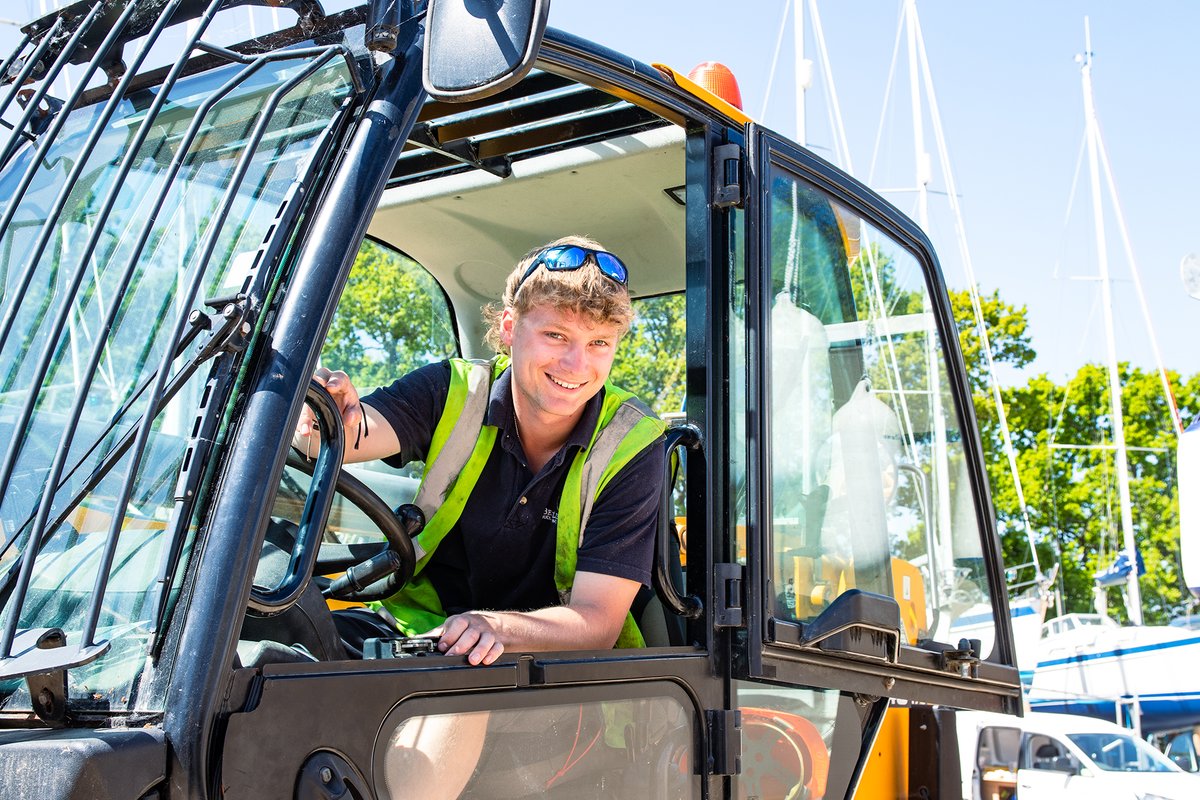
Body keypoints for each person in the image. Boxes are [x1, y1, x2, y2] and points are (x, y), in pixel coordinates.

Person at [296, 235, 666, 669]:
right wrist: (320, 414)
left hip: (557, 669)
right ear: (509, 328)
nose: (576, 365)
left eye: (599, 343)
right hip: (417, 635)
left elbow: (597, 623)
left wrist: (494, 628)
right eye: (555, 334)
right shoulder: (451, 390)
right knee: (279, 649)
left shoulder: (631, 442)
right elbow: (345, 434)